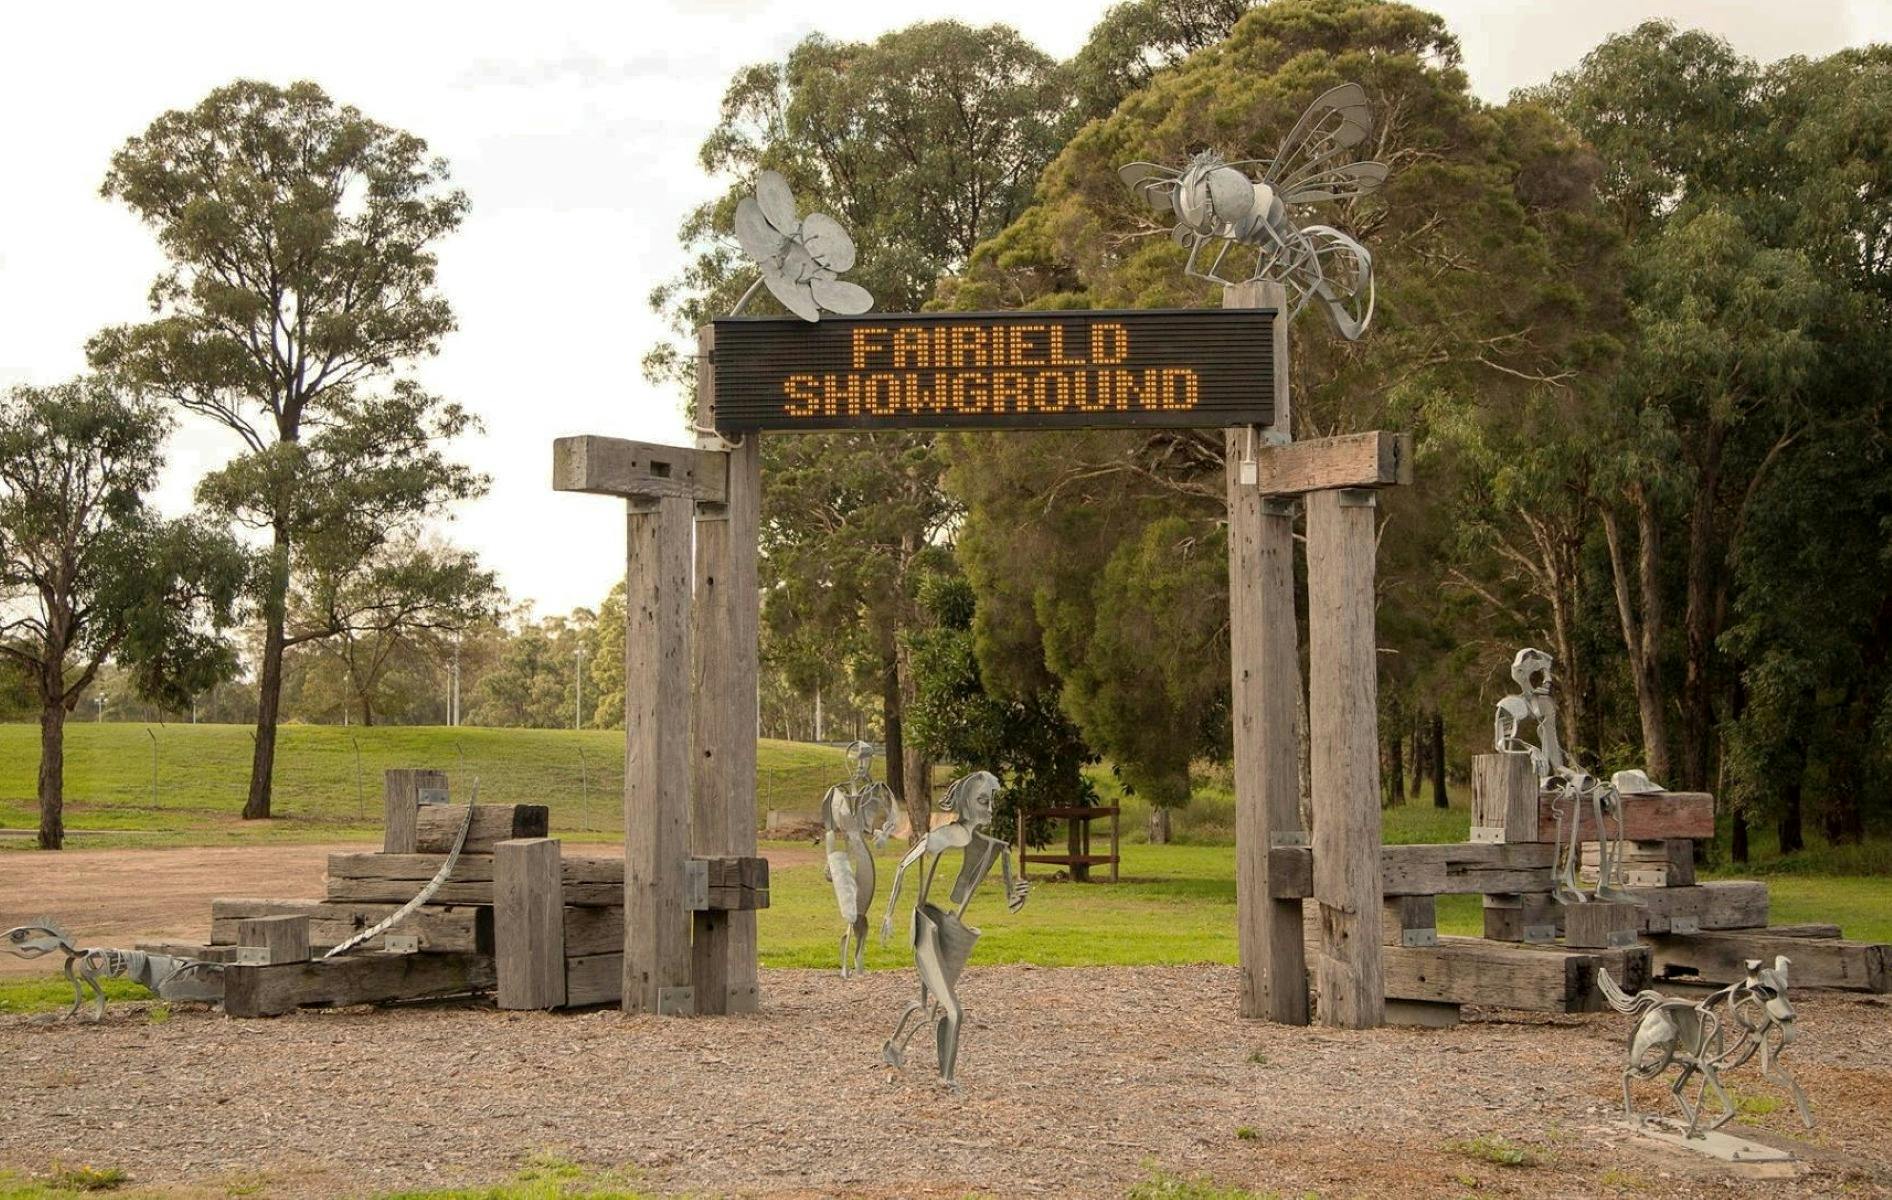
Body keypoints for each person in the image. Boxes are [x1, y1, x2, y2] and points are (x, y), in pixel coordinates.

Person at [878, 770, 1029, 1086]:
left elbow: (1011, 903)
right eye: (982, 801)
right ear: (966, 803)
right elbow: (904, 866)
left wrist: (1019, 896)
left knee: (928, 1005)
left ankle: (894, 1046)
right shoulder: (943, 837)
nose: (989, 809)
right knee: (953, 1011)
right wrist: (889, 915)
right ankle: (946, 1079)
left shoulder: (994, 848)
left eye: (991, 802)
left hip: (953, 934)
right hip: (927, 931)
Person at [819, 741, 898, 976]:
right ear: (848, 760)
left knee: (861, 911)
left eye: (867, 759)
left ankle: (858, 956)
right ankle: (845, 961)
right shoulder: (835, 793)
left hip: (863, 856)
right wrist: (829, 861)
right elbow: (830, 830)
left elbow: (893, 815)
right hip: (843, 858)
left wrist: (883, 833)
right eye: (858, 759)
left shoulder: (876, 790)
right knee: (848, 909)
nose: (862, 765)